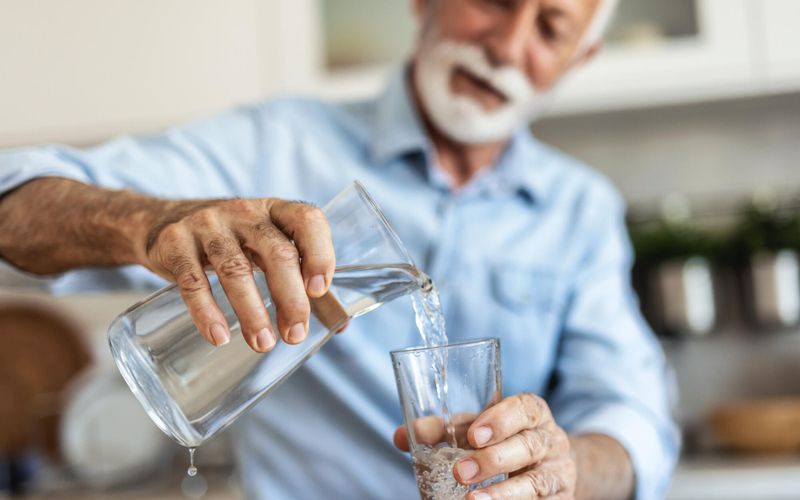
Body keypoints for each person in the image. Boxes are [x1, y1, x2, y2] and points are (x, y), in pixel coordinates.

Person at [0, 0, 679, 498]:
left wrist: (562, 464)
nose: (507, 44)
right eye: (494, 2)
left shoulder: (580, 209)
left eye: (550, 27)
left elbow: (633, 417)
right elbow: (11, 203)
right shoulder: (276, 144)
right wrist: (147, 223)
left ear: (579, 59)